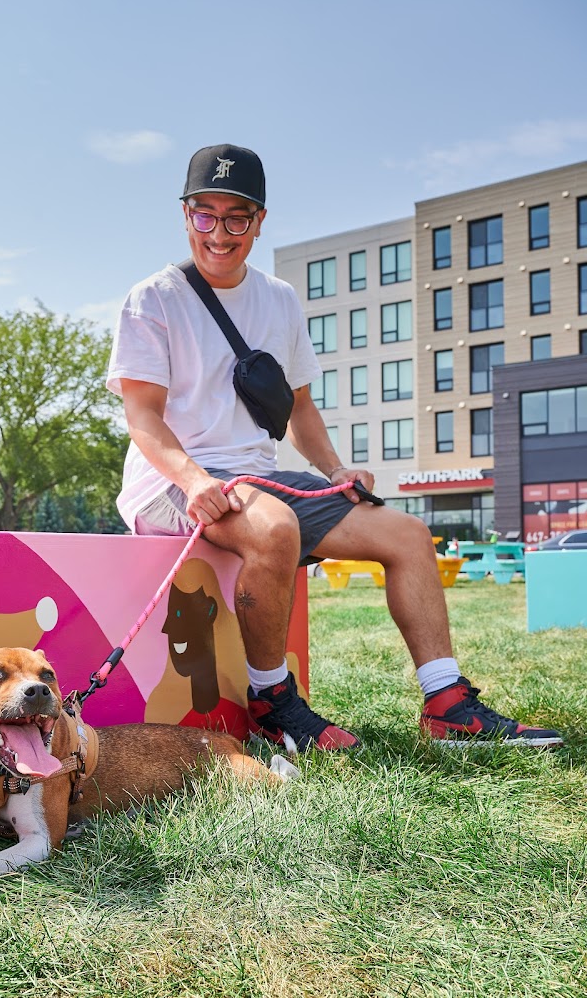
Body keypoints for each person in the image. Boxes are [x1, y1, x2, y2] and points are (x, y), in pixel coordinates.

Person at [106, 142, 563, 751]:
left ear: (260, 220)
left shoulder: (280, 299)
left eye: (236, 217)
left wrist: (336, 469)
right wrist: (193, 481)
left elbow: (298, 407)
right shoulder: (153, 298)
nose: (219, 233)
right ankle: (272, 703)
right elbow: (143, 418)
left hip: (255, 479)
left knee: (405, 534)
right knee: (272, 528)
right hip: (170, 482)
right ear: (185, 213)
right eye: (204, 214)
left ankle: (447, 703)